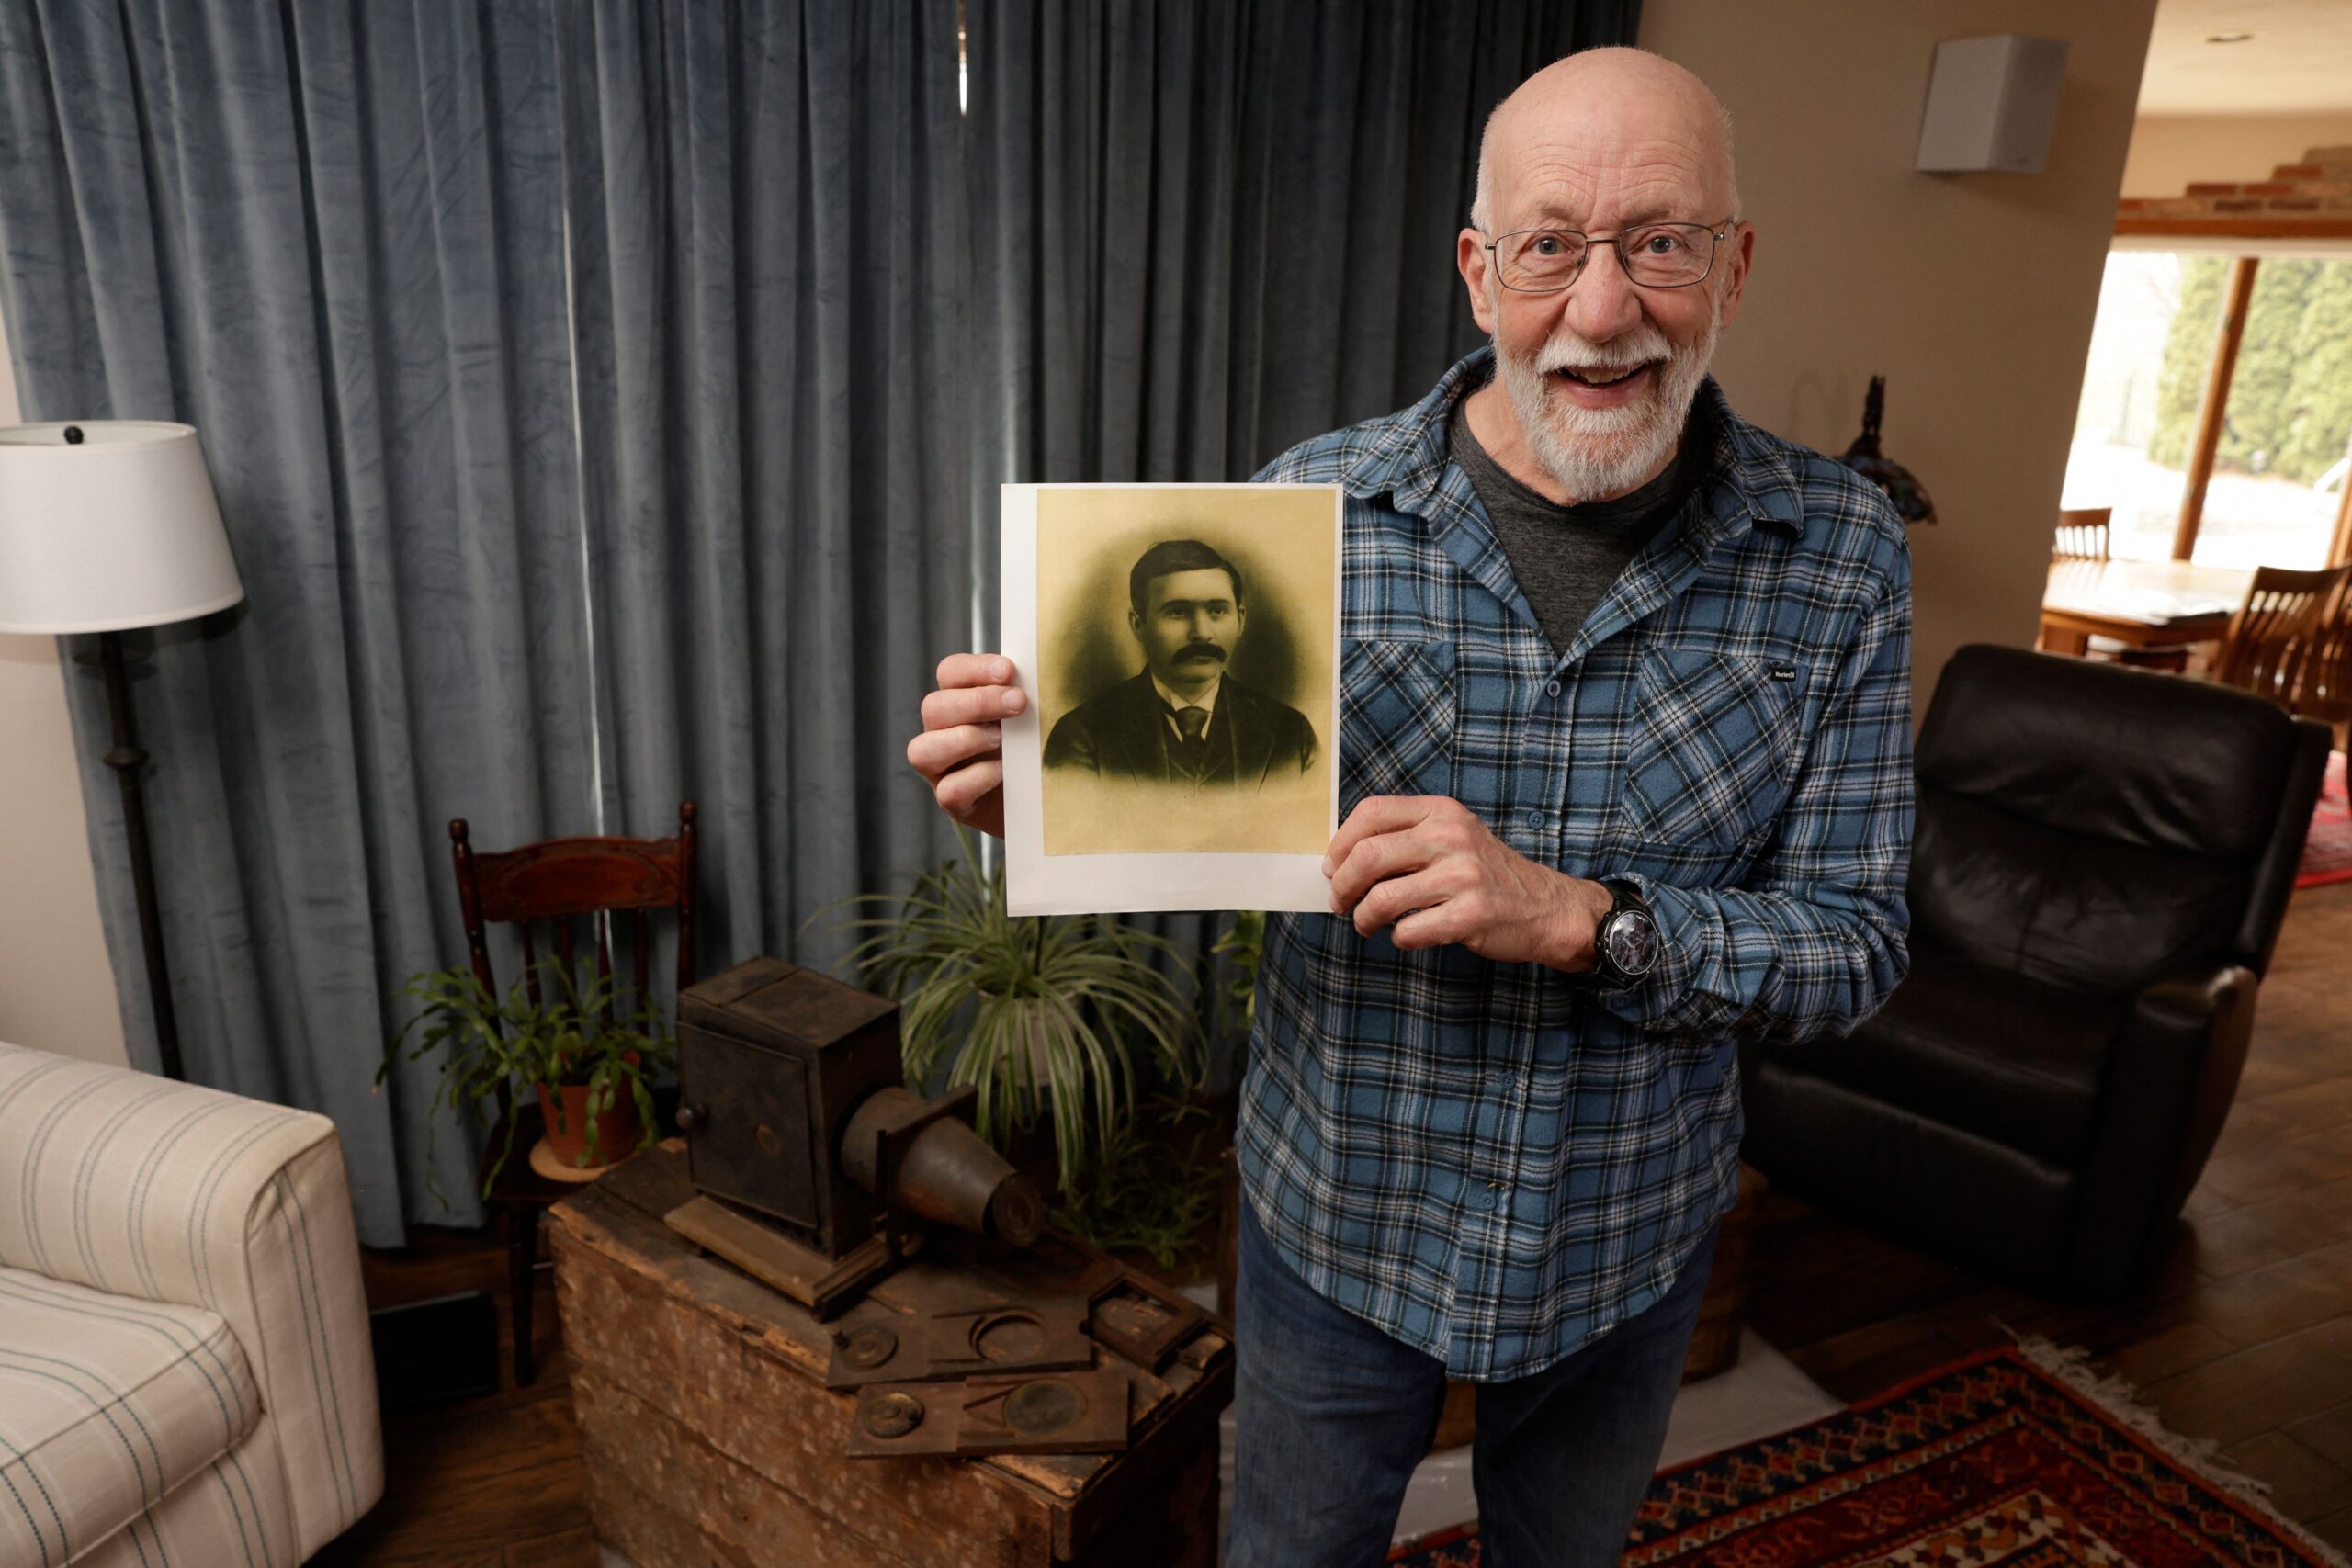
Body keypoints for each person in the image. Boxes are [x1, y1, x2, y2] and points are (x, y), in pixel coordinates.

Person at [909, 46, 1913, 1568]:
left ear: (1736, 262)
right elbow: (1201, 825)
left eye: (1659, 240)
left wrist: (1589, 920)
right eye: (1550, 245)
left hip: (1630, 1246)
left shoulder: (1839, 554)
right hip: (1338, 1226)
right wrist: (1038, 804)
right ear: (1475, 268)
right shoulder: (1303, 514)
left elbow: (1857, 945)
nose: (1601, 307)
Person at [1043, 537, 1318, 787]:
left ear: (1241, 619)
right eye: (1177, 612)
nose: (1201, 632)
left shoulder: (1291, 735)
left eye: (1217, 610)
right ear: (1139, 625)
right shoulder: (1082, 737)